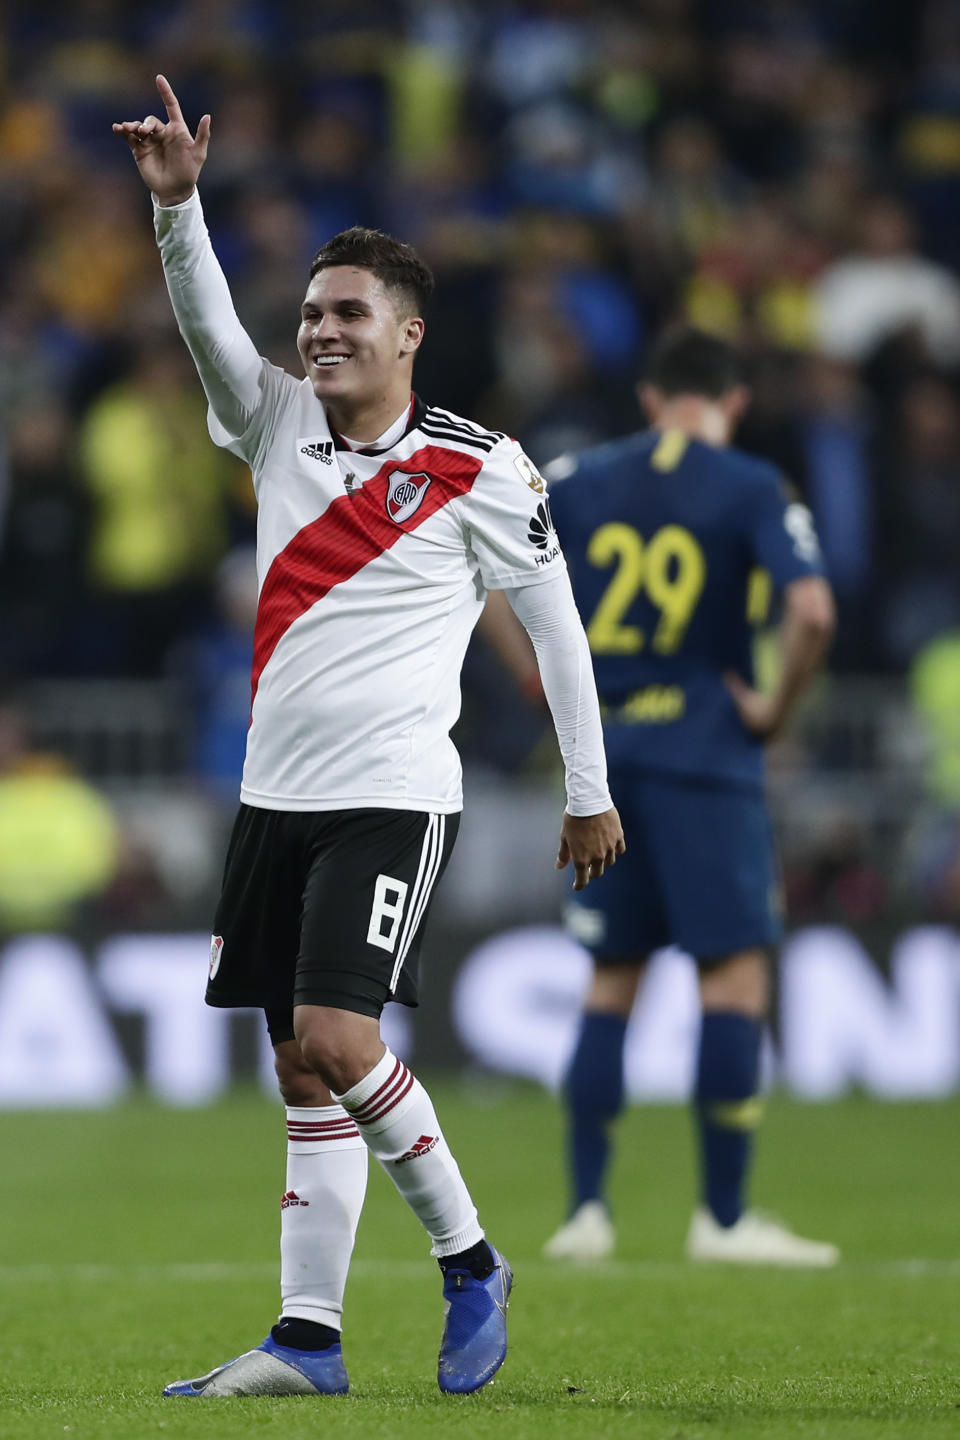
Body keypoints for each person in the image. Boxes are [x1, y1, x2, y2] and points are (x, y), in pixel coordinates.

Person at [113, 77, 623, 1399]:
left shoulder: (483, 467)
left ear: (405, 333)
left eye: (346, 314)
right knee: (296, 1058)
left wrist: (588, 789)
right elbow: (206, 323)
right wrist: (181, 209)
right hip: (272, 795)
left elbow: (556, 629)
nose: (318, 330)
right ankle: (306, 1338)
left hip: (393, 795)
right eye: (312, 314)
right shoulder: (271, 422)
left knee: (341, 1040)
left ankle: (469, 1262)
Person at [538, 326, 839, 1265]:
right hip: (709, 758)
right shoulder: (751, 484)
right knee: (734, 980)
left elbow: (498, 591)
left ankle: (586, 1213)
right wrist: (774, 712)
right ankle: (724, 1217)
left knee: (610, 981)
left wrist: (544, 693)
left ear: (648, 397)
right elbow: (814, 611)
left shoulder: (579, 476)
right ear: (735, 401)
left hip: (607, 762)